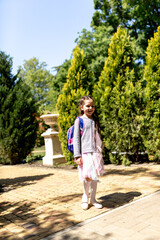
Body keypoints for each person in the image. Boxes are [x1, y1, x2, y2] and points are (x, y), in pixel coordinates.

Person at [73, 96, 105, 210]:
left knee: (95, 177)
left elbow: (98, 136)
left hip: (95, 153)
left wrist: (100, 149)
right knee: (87, 177)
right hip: (85, 154)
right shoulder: (79, 120)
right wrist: (77, 155)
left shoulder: (95, 120)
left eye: (92, 106)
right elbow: (76, 138)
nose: (90, 108)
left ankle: (94, 199)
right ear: (82, 107)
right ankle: (85, 198)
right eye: (87, 106)